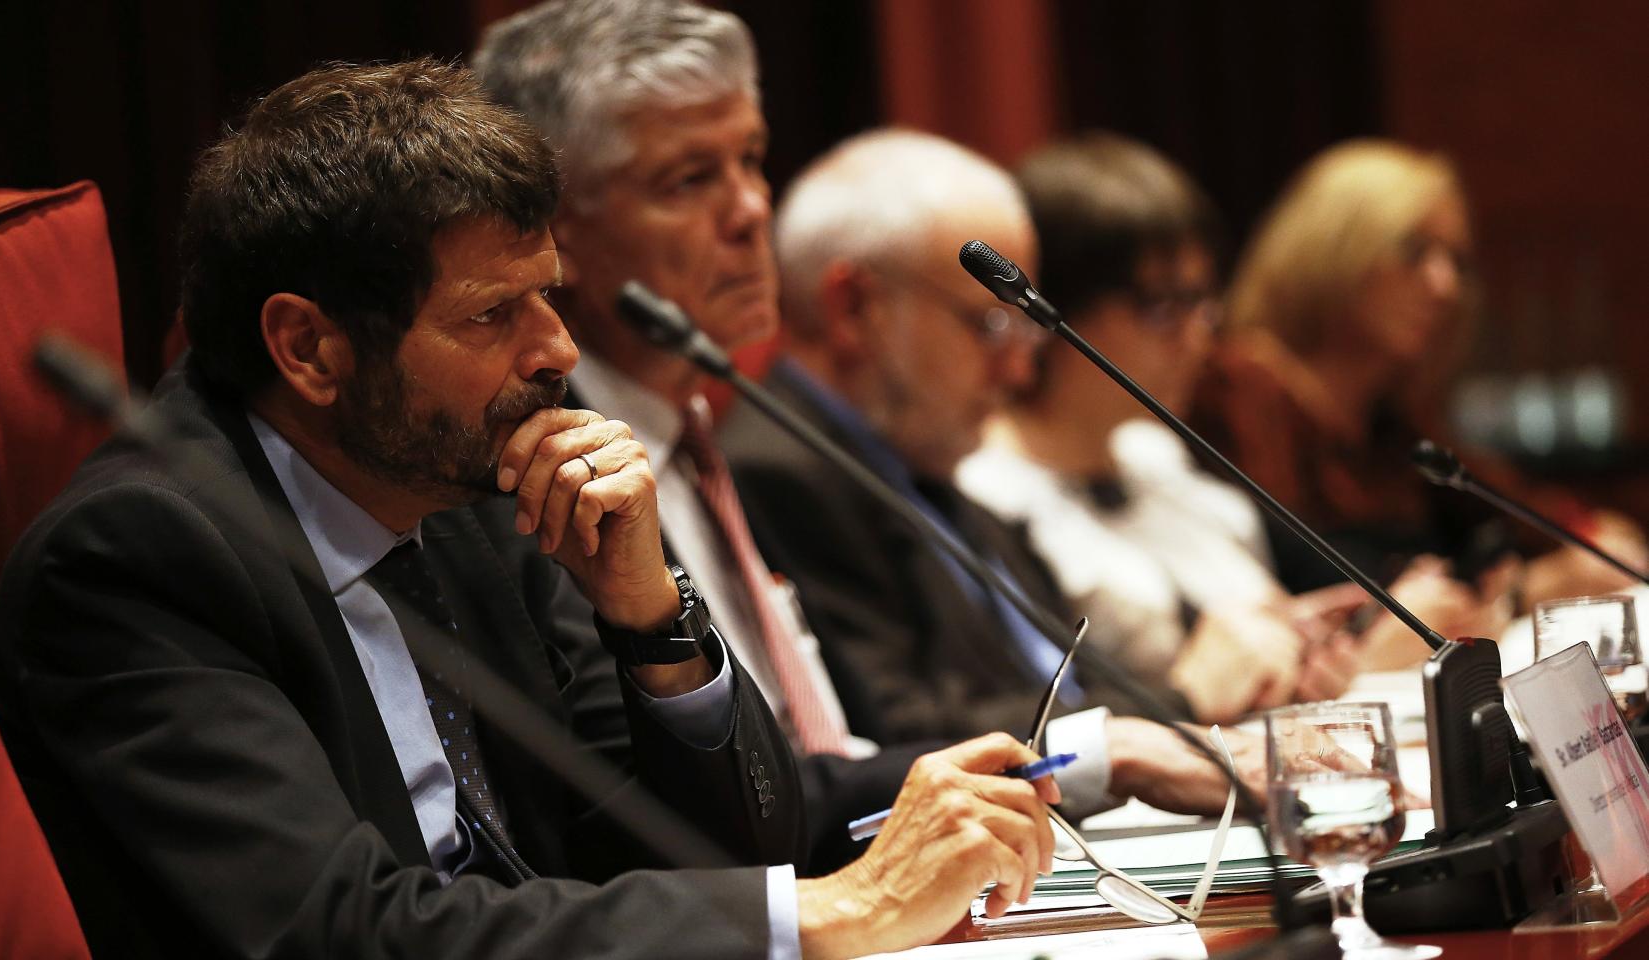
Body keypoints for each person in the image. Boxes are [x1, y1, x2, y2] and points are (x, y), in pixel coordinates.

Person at [0, 60, 1070, 960]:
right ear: (310, 347)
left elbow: (727, 844)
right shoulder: (140, 558)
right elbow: (336, 931)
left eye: (547, 293)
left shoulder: (472, 491)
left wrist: (651, 618)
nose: (557, 350)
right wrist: (827, 916)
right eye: (493, 313)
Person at [473, 3, 1252, 826]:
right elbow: (704, 808)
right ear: (559, 235)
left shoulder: (694, 437)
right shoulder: (546, 479)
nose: (751, 210)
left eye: (751, 160)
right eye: (689, 180)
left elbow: (823, 761)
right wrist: (1100, 754)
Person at [719, 127, 1259, 815]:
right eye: (991, 327)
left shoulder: (917, 457)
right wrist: (1179, 700)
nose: (1019, 370)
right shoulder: (782, 473)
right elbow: (901, 737)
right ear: (856, 308)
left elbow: (1063, 682)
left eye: (1025, 332)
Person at [959, 133, 1389, 720]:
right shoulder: (985, 493)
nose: (1198, 336)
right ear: (1047, 311)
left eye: (1203, 301)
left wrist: (1307, 654)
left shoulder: (1154, 451)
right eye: (1164, 306)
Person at [1191, 139, 1646, 665]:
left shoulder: (1389, 420)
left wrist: (1587, 539)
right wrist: (1515, 593)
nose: (1444, 285)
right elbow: (1306, 585)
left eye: (1456, 261)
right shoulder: (1238, 392)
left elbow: (1531, 513)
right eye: (1414, 252)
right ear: (1332, 248)